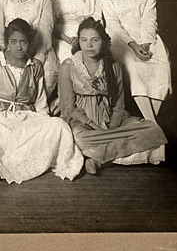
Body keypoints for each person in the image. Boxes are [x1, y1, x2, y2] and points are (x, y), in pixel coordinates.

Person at [0, 20, 83, 183]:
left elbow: (40, 105)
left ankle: (19, 159)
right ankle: (0, 165)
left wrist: (42, 125)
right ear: (7, 43)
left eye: (23, 42)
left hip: (24, 118)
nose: (19, 47)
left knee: (58, 126)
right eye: (13, 42)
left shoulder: (34, 68)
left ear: (30, 43)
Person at [58, 17, 167, 173]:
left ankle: (98, 160)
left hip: (109, 121)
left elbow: (118, 104)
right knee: (80, 139)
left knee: (153, 129)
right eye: (83, 40)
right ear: (78, 42)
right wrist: (93, 126)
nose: (89, 45)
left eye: (95, 40)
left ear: (103, 41)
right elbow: (68, 108)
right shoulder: (68, 66)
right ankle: (108, 154)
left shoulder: (113, 66)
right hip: (81, 123)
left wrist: (112, 127)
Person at [98, 0, 172, 125]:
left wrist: (145, 44)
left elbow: (149, 18)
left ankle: (150, 123)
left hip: (146, 37)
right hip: (119, 39)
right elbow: (112, 23)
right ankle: (153, 125)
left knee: (162, 65)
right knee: (134, 68)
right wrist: (132, 44)